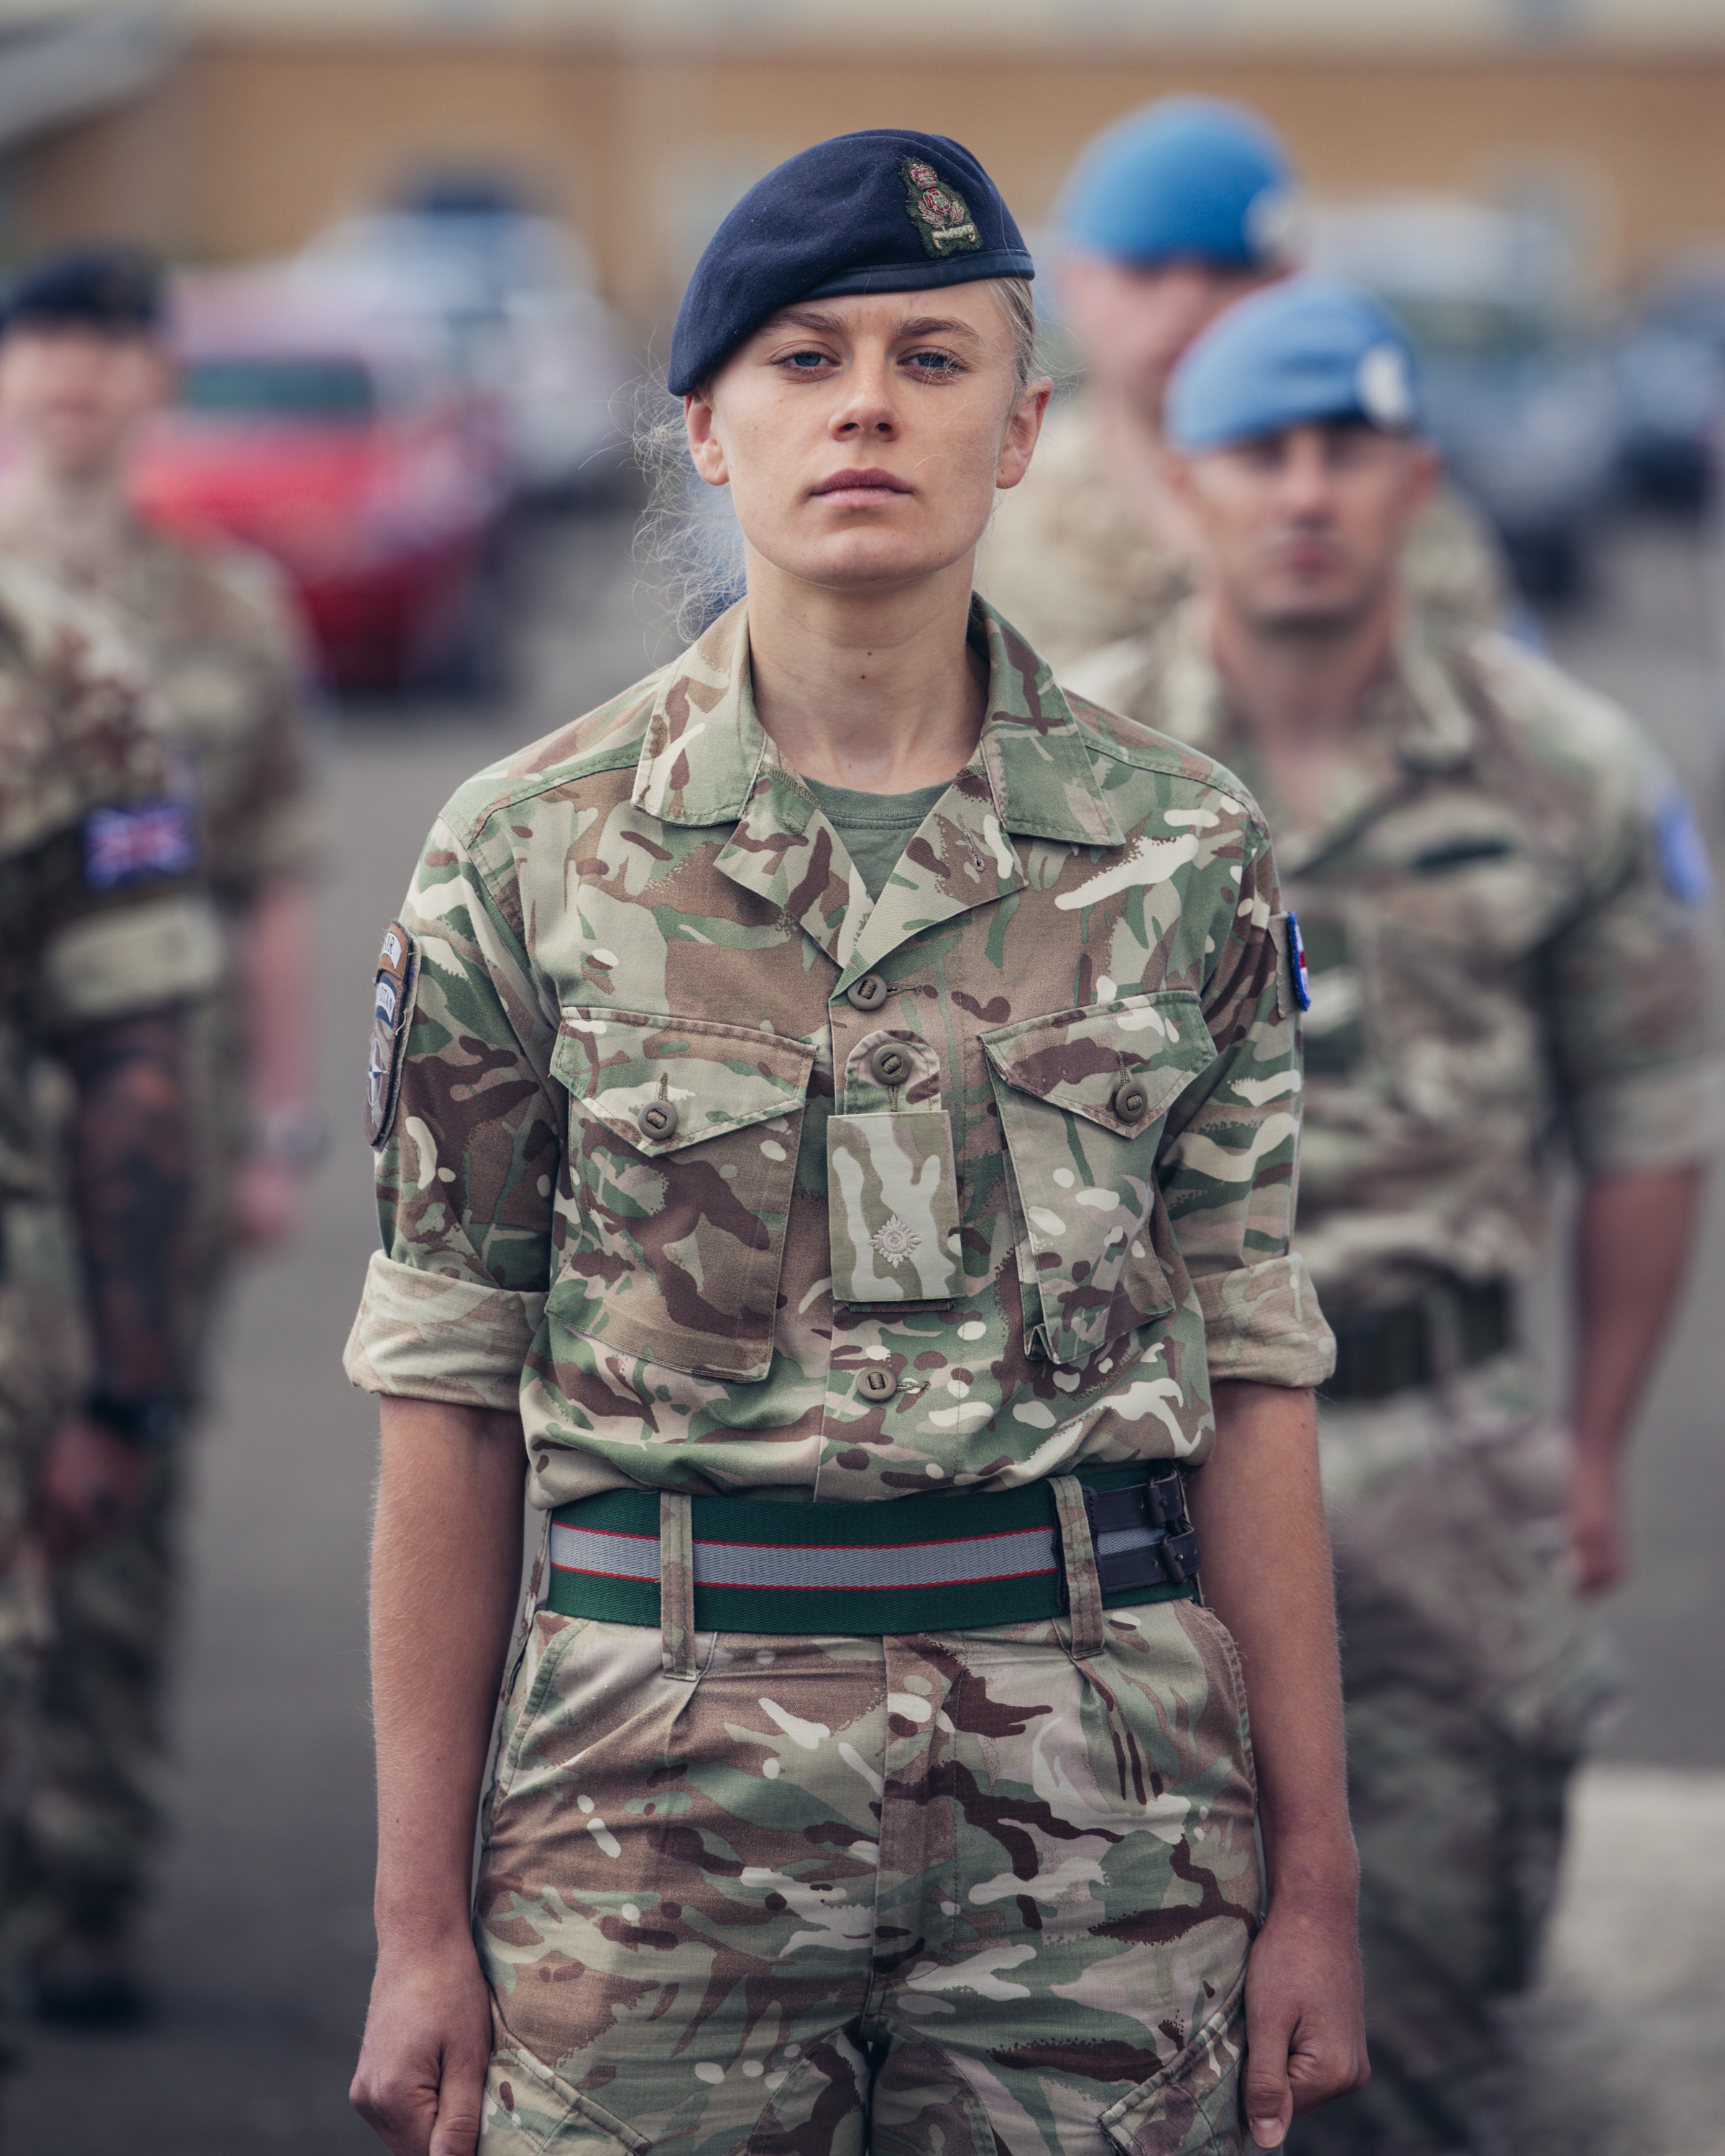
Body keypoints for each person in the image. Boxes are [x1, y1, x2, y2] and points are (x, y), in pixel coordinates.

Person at [344, 131, 1366, 2156]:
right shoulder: (528, 852)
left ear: (1025, 429)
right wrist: (413, 1925)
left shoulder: (1184, 853)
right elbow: (445, 1392)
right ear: (710, 432)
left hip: (1106, 1809)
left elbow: (1252, 1370)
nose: (869, 407)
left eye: (932, 356)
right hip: (649, 1795)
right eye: (805, 361)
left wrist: (1317, 1883)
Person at [1067, 276, 1721, 2156]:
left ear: (1417, 482)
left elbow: (1651, 1130)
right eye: (1259, 450)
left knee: (1425, 2038)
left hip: (1438, 1461)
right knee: (1111, 2034)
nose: (1304, 490)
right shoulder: (1073, 777)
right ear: (1184, 483)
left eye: (1347, 450)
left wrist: (1585, 1447)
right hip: (1142, 1483)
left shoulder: (1563, 769)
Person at [0, 244, 320, 2024]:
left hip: (145, 1130)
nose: (73, 375)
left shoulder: (221, 616)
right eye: (43, 339)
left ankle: (91, 1871)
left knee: (116, 1495)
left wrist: (267, 1125)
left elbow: (268, 880)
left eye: (110, 344)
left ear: (153, 381)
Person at [0, 551, 221, 2047]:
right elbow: (135, 1066)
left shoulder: (61, 664)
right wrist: (125, 1396)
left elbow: (142, 1070)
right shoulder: (62, 657)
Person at [980, 97, 1506, 676]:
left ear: (1289, 284)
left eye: (1225, 272)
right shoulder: (997, 512)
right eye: (1146, 272)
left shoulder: (1397, 520)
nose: (1185, 304)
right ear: (1074, 284)